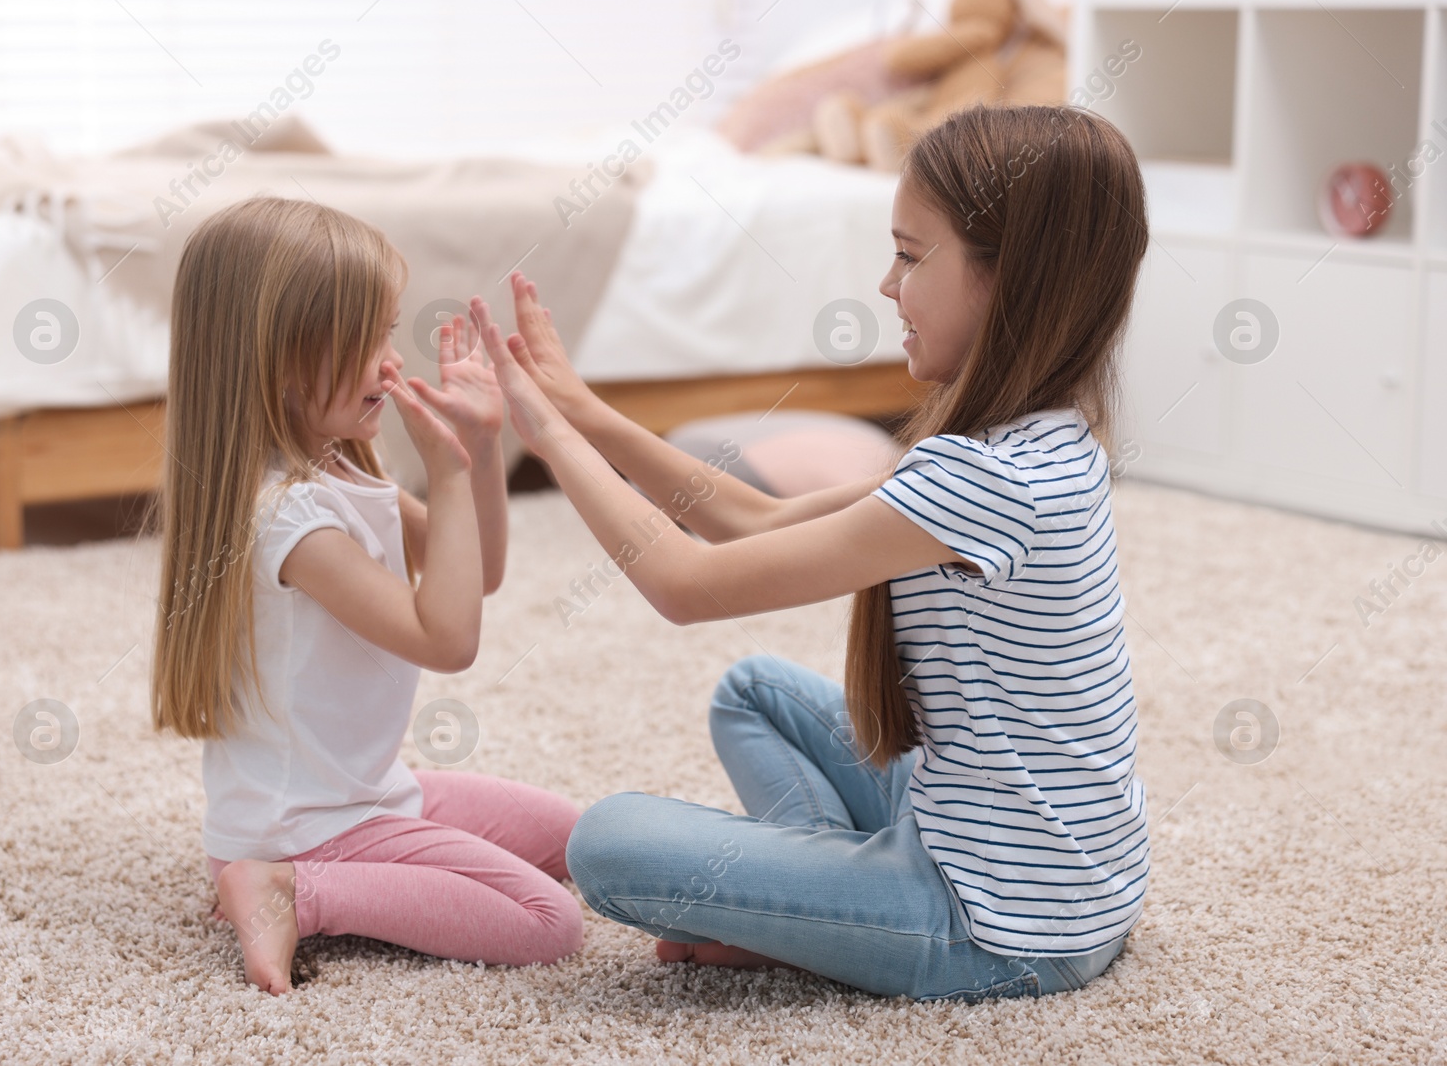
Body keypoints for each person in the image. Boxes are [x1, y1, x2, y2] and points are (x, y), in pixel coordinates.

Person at [485, 104, 1150, 1000]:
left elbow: (683, 583)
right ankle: (825, 900)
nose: (886, 283)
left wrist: (545, 437)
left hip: (997, 920)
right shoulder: (1039, 440)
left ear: (1009, 280)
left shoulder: (985, 482)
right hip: (1046, 872)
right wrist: (586, 411)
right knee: (753, 690)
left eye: (912, 256)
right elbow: (756, 521)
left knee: (605, 841)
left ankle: (826, 910)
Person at [150, 197, 583, 995]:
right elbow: (448, 639)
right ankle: (288, 891)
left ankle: (296, 876)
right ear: (277, 361)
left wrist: (478, 449)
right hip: (304, 828)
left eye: (388, 331)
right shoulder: (288, 519)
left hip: (364, 792)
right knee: (547, 921)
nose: (391, 361)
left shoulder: (334, 467)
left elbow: (476, 571)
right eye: (366, 340)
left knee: (580, 842)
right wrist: (445, 472)